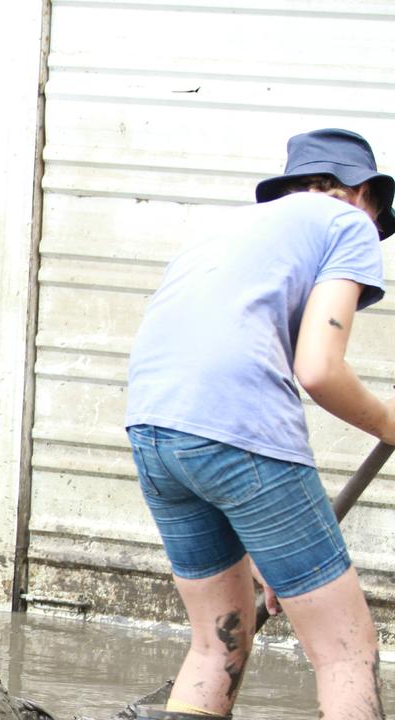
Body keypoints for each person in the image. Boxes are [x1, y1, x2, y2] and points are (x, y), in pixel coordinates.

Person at [125, 128, 390, 719]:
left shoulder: (223, 232)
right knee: (347, 651)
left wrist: (276, 550)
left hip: (153, 428)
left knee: (218, 640)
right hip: (235, 431)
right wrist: (391, 424)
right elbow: (318, 371)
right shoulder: (348, 222)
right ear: (361, 193)